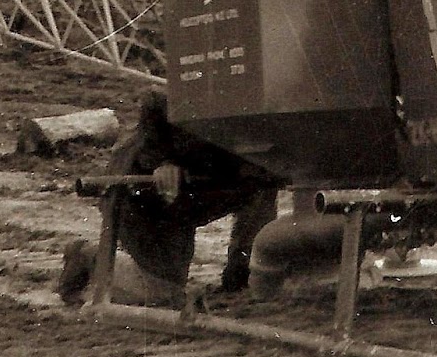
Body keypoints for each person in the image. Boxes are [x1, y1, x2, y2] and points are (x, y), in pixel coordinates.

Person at [57, 89, 279, 309]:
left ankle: (241, 276)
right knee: (163, 295)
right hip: (139, 190)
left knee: (261, 187)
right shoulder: (209, 87)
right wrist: (164, 159)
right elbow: (155, 97)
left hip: (189, 193)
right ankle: (87, 255)